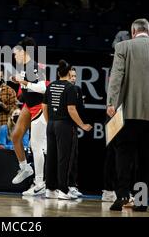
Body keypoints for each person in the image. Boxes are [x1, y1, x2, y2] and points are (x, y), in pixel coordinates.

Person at [106, 18, 149, 211]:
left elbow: (116, 76)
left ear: (133, 31)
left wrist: (111, 102)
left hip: (128, 113)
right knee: (147, 161)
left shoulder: (123, 47)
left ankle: (121, 196)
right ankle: (141, 201)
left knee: (124, 157)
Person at [42, 60, 92, 200]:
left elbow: (43, 107)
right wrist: (82, 125)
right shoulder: (70, 88)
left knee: (51, 157)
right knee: (64, 158)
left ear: (58, 73)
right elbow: (71, 109)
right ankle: (63, 190)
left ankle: (50, 190)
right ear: (69, 73)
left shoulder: (50, 86)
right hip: (64, 125)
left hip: (51, 124)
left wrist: (49, 122)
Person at [10, 37, 47, 187]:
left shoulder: (35, 66)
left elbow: (43, 88)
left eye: (15, 54)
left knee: (36, 146)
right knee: (15, 136)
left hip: (39, 106)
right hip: (28, 105)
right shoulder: (24, 68)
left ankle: (40, 183)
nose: (14, 56)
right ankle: (25, 168)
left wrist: (23, 81)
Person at [66, 67, 85, 198]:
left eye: (74, 76)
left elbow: (80, 109)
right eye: (71, 76)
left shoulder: (77, 90)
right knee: (63, 158)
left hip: (73, 127)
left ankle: (72, 185)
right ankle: (61, 186)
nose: (73, 78)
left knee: (73, 156)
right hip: (62, 126)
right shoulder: (61, 88)